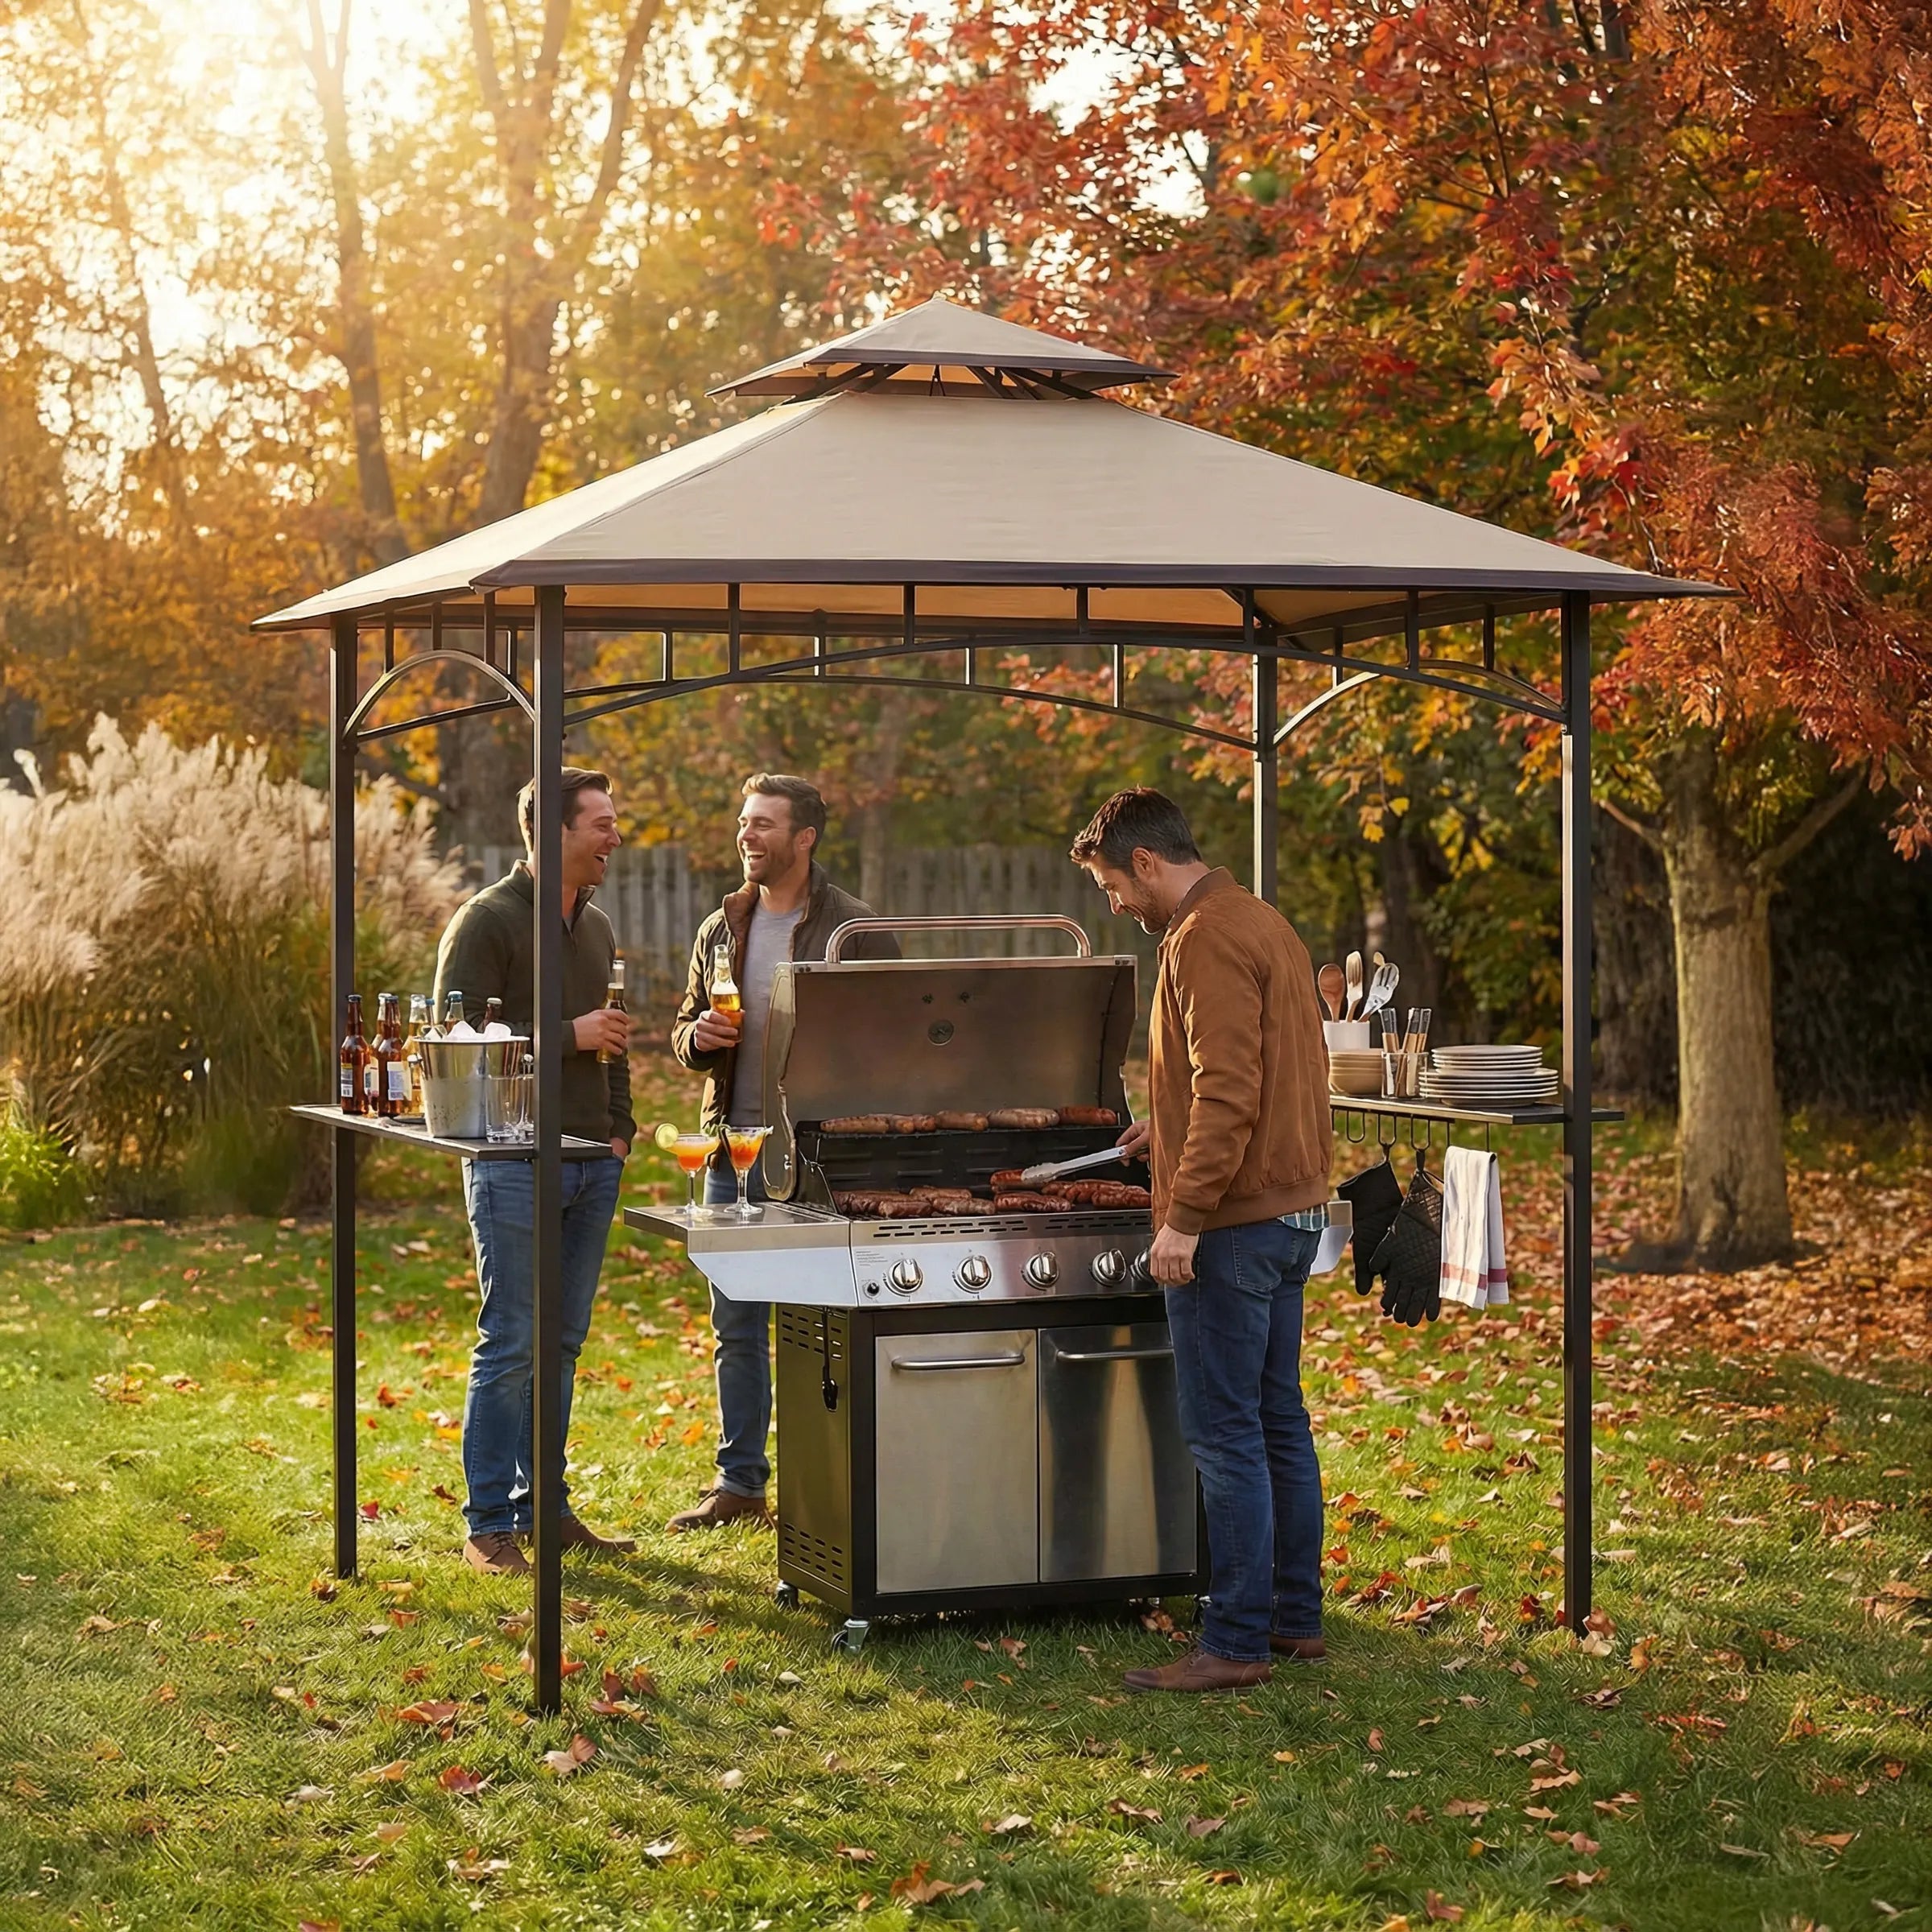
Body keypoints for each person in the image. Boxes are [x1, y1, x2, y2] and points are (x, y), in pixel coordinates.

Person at [1070, 787, 1332, 1691]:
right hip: (1290, 1210)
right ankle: (1295, 1620)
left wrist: (1183, 1216)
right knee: (1276, 1423)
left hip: (1232, 1222)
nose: (1116, 906)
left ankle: (1234, 1643)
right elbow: (1248, 1074)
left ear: (1146, 863)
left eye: (1111, 888)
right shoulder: (1259, 918)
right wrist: (1164, 1126)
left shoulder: (1202, 936)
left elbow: (1230, 1087)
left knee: (1225, 1435)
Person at [667, 773, 893, 1531]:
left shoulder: (852, 930)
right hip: (732, 1151)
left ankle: (823, 1481)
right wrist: (695, 1039)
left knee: (821, 1324)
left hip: (816, 1161)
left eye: (764, 824)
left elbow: (894, 1047)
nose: (747, 835)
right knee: (735, 1323)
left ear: (805, 838)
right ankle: (740, 1483)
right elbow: (685, 1027)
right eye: (743, 821)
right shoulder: (720, 925)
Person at [433, 766, 637, 1575]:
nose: (614, 837)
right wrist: (566, 1034)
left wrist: (619, 1128)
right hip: (513, 1161)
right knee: (512, 1340)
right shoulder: (485, 922)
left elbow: (613, 1033)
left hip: (593, 1162)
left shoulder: (598, 927)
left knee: (561, 1345)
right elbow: (451, 1039)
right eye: (601, 824)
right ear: (553, 832)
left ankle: (543, 1510)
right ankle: (488, 1526)